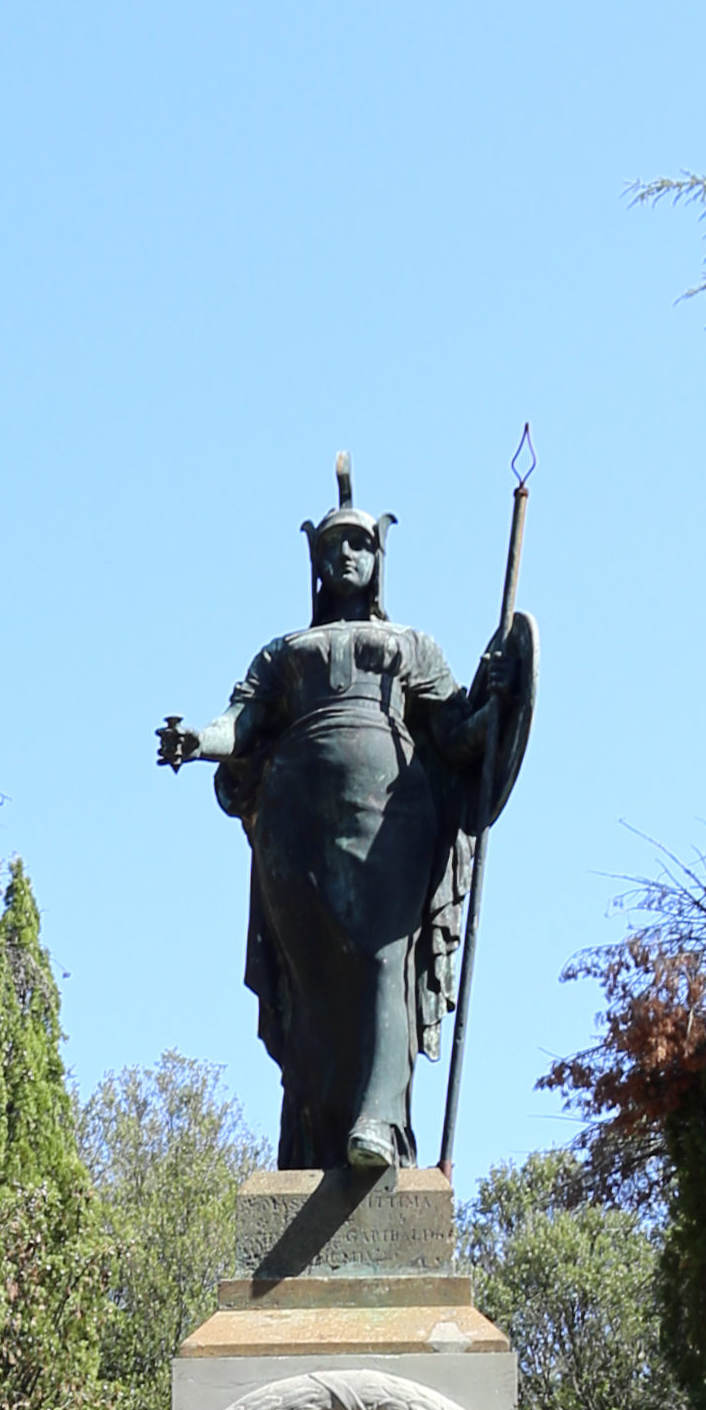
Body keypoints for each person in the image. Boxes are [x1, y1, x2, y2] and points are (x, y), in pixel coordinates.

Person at [157, 464, 531, 1172]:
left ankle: (379, 1123)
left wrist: (502, 698)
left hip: (394, 813)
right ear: (316, 563)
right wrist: (197, 743)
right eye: (333, 546)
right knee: (309, 984)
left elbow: (457, 735)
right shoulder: (282, 654)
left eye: (359, 544)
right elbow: (239, 722)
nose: (346, 555)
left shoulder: (413, 647)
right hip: (295, 821)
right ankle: (314, 1135)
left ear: (379, 558)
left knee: (385, 958)